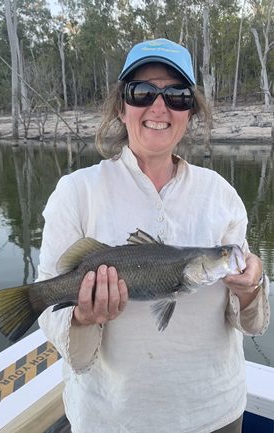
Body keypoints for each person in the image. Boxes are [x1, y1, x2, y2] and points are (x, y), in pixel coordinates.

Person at [37, 38, 270, 433]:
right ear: (121, 106)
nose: (159, 106)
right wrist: (81, 316)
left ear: (190, 112)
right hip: (111, 419)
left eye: (177, 95)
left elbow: (250, 321)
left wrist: (252, 287)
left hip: (215, 412)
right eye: (142, 92)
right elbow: (47, 308)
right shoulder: (76, 192)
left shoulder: (221, 194)